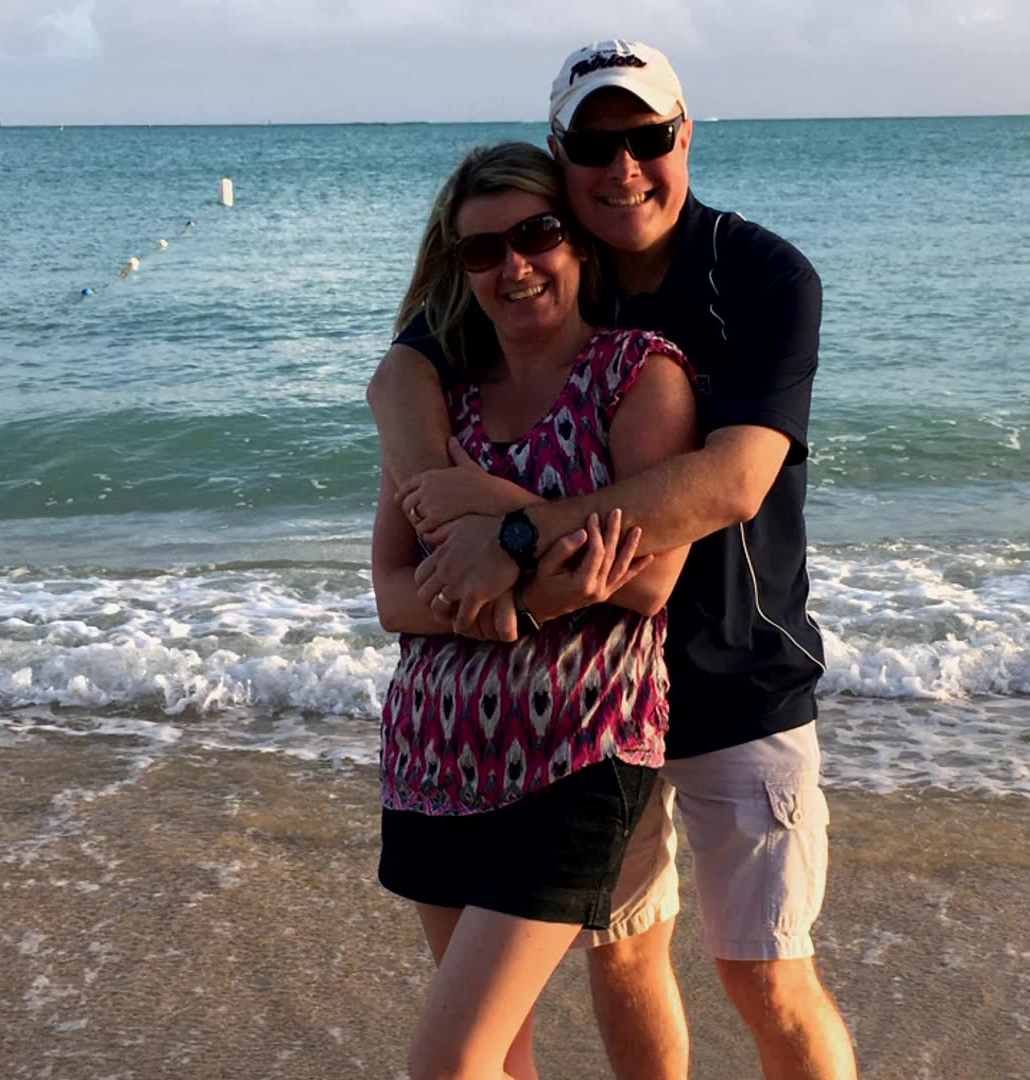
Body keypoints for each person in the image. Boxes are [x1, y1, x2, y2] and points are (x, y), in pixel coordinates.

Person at [370, 40, 857, 1080]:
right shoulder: (531, 267)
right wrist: (436, 505)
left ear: (685, 136)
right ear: (560, 155)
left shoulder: (761, 276)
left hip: (735, 674)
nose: (623, 167)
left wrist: (507, 528)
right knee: (624, 957)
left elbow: (732, 483)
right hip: (585, 713)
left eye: (647, 137)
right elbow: (401, 370)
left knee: (767, 976)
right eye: (595, 146)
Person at [371, 141, 700, 1080]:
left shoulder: (638, 375)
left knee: (450, 1063)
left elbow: (648, 581)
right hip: (433, 756)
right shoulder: (440, 403)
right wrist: (526, 599)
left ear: (579, 242)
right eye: (483, 250)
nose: (513, 266)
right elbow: (393, 592)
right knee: (499, 1060)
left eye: (536, 234)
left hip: (578, 752)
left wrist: (497, 507)